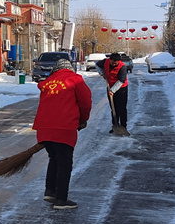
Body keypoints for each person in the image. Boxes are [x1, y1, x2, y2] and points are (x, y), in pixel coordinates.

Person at [32, 58, 92, 210]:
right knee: (65, 163)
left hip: (44, 128)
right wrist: (83, 120)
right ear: (70, 68)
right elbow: (85, 102)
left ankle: (50, 191)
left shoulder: (48, 82)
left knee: (54, 158)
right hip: (64, 128)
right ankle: (61, 200)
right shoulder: (75, 79)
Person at [98, 52, 130, 136]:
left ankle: (123, 126)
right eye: (113, 62)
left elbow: (121, 81)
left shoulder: (122, 67)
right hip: (110, 87)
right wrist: (102, 73)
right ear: (110, 60)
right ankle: (115, 125)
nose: (114, 64)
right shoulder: (105, 62)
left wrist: (113, 90)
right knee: (113, 108)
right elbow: (97, 65)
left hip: (121, 88)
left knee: (122, 108)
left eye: (116, 63)